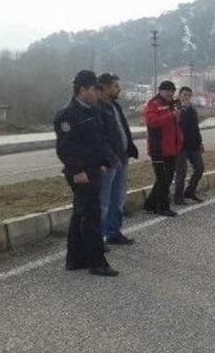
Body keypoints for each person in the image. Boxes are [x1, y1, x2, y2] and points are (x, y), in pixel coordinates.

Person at [53, 70, 119, 277]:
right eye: (93, 89)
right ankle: (97, 262)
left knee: (80, 214)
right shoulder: (67, 115)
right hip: (81, 173)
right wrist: (78, 171)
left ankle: (74, 259)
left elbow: (97, 141)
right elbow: (65, 148)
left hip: (93, 169)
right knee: (91, 216)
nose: (95, 93)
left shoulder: (92, 111)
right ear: (82, 89)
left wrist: (101, 162)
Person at [97, 73, 138, 245]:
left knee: (118, 198)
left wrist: (130, 147)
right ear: (105, 87)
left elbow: (123, 129)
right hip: (108, 162)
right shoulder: (98, 108)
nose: (119, 89)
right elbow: (101, 138)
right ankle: (97, 239)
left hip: (121, 158)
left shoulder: (115, 106)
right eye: (115, 86)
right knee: (103, 201)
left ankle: (113, 232)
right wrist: (109, 158)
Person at [142, 80, 183, 217]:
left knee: (166, 178)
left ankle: (150, 204)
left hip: (171, 148)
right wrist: (171, 115)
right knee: (163, 179)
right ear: (160, 90)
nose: (170, 93)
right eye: (166, 90)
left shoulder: (172, 104)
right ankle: (163, 207)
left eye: (172, 90)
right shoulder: (153, 104)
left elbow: (176, 126)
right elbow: (151, 122)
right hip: (158, 149)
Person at [173, 86, 205, 205]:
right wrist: (182, 111)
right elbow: (176, 124)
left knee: (200, 168)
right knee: (181, 172)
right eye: (184, 94)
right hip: (180, 146)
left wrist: (200, 142)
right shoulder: (175, 108)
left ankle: (190, 191)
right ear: (179, 95)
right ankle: (178, 197)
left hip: (193, 145)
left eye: (188, 95)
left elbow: (196, 128)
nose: (186, 97)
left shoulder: (192, 110)